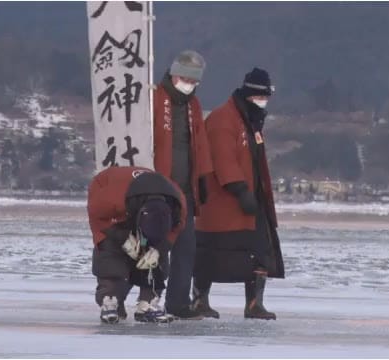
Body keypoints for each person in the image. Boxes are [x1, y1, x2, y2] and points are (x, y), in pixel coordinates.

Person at [192, 68, 285, 320]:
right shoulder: (224, 119)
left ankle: (254, 304)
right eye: (259, 96)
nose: (262, 102)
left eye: (265, 97)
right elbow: (224, 159)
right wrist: (241, 190)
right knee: (209, 253)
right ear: (248, 94)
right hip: (226, 202)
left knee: (260, 252)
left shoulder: (249, 121)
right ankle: (200, 300)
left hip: (251, 200)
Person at [153, 50, 213, 319]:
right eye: (185, 78)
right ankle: (147, 299)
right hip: (159, 186)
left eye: (194, 81)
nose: (188, 84)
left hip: (185, 189)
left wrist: (202, 180)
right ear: (173, 74)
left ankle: (177, 303)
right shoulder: (153, 99)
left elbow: (200, 145)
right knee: (156, 247)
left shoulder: (194, 106)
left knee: (186, 247)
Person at [88, 166, 187, 324]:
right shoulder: (109, 200)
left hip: (139, 202)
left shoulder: (178, 204)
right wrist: (122, 237)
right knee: (111, 252)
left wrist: (160, 249)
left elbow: (175, 231)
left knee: (155, 260)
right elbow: (97, 218)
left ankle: (148, 302)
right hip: (114, 196)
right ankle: (110, 298)